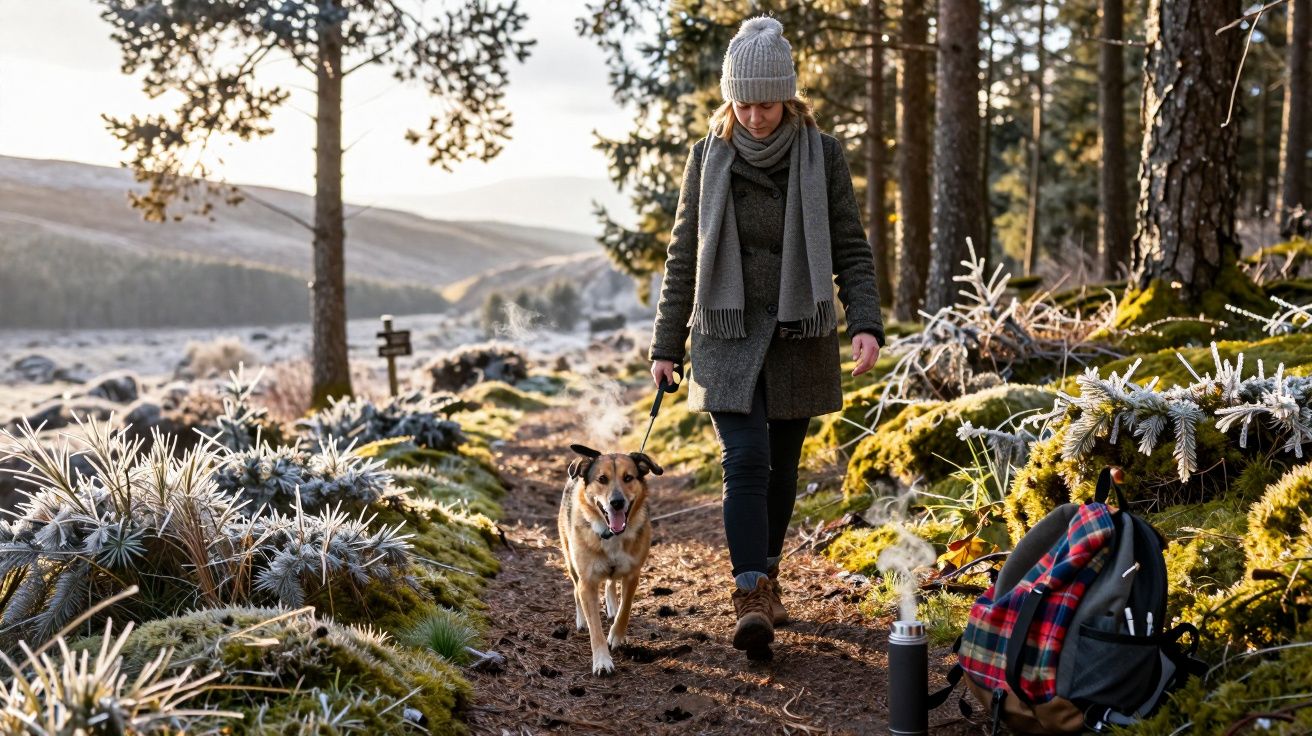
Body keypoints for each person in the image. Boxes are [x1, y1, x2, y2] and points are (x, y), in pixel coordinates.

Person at [647, 15, 886, 657]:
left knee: (782, 468)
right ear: (730, 100)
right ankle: (750, 591)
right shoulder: (707, 156)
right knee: (745, 459)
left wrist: (865, 321)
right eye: (743, 103)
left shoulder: (822, 154)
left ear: (788, 96)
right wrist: (666, 346)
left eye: (766, 102)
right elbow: (682, 257)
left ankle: (771, 569)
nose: (754, 116)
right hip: (725, 333)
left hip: (797, 331)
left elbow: (850, 247)